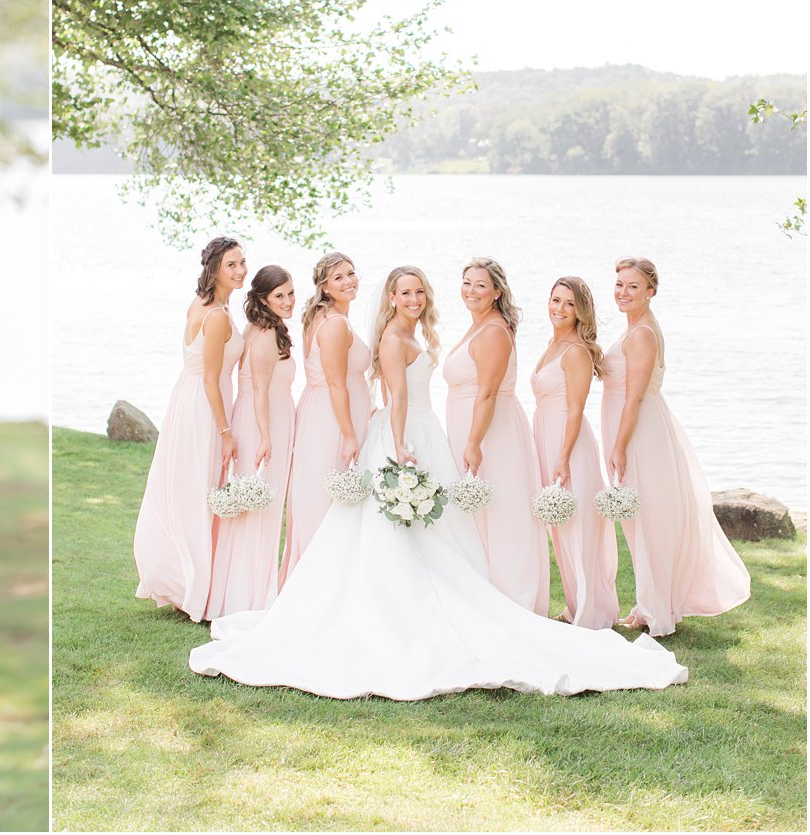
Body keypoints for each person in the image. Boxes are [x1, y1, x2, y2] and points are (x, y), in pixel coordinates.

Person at [189, 266, 688, 699]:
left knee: (440, 534)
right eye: (404, 293)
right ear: (390, 299)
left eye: (420, 292)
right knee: (395, 532)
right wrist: (401, 444)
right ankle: (395, 611)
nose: (413, 299)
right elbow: (398, 397)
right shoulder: (391, 339)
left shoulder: (420, 337)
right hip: (406, 436)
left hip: (426, 434)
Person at [602, 257, 750, 636]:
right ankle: (648, 604)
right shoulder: (636, 327)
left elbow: (633, 398)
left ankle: (656, 612)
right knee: (640, 522)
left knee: (648, 521)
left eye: (633, 286)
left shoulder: (642, 335)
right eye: (619, 284)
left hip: (639, 432)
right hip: (635, 427)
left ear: (651, 291)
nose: (623, 292)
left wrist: (619, 446)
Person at [133, 236, 247, 621]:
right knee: (199, 490)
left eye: (243, 263)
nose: (241, 271)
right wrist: (226, 431)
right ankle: (193, 586)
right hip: (203, 407)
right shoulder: (215, 315)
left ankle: (187, 579)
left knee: (189, 489)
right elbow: (212, 380)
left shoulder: (202, 303)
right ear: (214, 269)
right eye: (232, 264)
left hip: (187, 399)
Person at [443, 257, 548, 615]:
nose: (471, 291)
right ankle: (484, 594)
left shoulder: (493, 332)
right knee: (479, 516)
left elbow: (486, 393)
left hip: (491, 431)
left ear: (497, 292)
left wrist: (473, 443)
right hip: (472, 425)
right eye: (467, 282)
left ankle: (513, 600)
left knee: (503, 513)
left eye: (480, 285)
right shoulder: (480, 325)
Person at [208, 265, 296, 617]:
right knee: (259, 510)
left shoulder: (261, 326)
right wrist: (265, 437)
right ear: (263, 299)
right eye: (280, 296)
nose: (288, 301)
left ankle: (239, 595)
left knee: (253, 510)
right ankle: (248, 600)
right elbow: (260, 391)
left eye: (291, 293)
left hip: (262, 417)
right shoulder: (266, 335)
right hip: (264, 421)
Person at [531, 277, 619, 629]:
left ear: (581, 311)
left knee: (578, 526)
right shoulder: (553, 345)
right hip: (546, 436)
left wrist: (563, 457)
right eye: (555, 300)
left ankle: (590, 612)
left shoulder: (577, 352)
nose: (560, 309)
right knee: (560, 527)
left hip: (569, 443)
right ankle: (574, 606)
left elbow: (575, 408)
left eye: (569, 303)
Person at [280, 252, 370, 581]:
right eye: (339, 277)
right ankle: (321, 582)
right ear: (325, 287)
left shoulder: (328, 317)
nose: (349, 281)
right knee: (327, 500)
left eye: (351, 273)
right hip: (331, 422)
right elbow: (336, 383)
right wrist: (348, 434)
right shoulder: (333, 324)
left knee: (328, 498)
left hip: (327, 413)